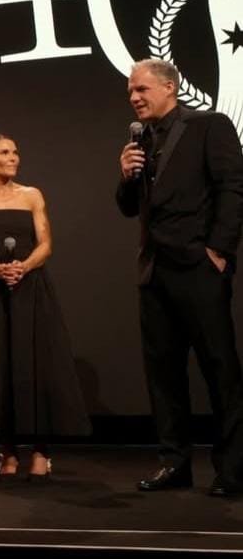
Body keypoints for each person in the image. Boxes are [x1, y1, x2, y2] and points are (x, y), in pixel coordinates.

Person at [117, 58, 243, 496]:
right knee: (163, 374)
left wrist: (219, 251)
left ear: (169, 87)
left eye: (141, 89)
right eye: (130, 91)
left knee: (220, 370)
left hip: (198, 267)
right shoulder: (139, 140)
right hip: (154, 272)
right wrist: (126, 176)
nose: (134, 97)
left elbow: (232, 187)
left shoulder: (209, 126)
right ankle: (174, 464)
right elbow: (128, 207)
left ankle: (233, 470)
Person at [0, 134, 90, 481]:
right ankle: (7, 451)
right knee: (0, 366)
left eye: (16, 152)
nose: (13, 158)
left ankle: (40, 451)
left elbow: (45, 243)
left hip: (30, 289)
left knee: (35, 365)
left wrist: (24, 266)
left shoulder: (32, 195)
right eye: (4, 152)